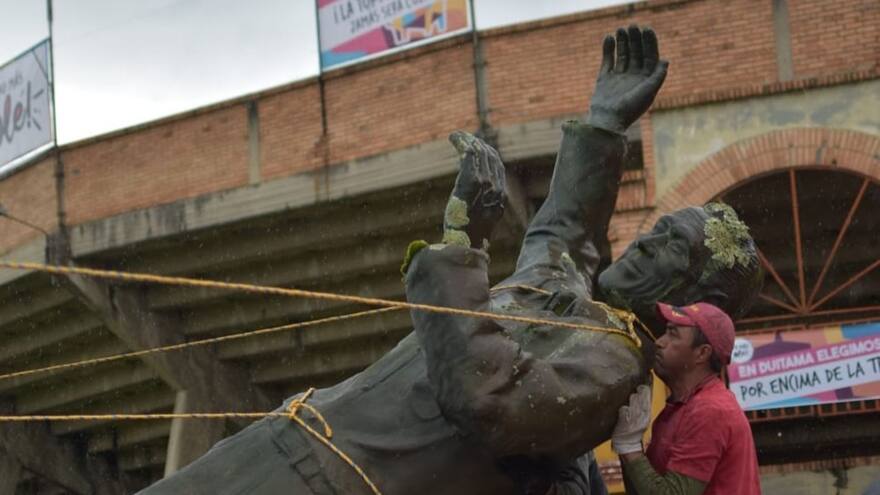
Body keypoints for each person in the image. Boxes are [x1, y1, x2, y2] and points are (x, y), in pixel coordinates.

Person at [139, 26, 762, 495]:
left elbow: (491, 400)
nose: (649, 241)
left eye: (673, 247)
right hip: (287, 436)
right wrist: (602, 124)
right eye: (660, 229)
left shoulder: (613, 364)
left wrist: (460, 252)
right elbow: (566, 224)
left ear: (691, 296)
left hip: (333, 481)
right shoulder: (566, 288)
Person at [611, 302, 762, 494]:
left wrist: (629, 447)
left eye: (673, 334)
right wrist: (630, 450)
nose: (659, 342)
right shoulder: (679, 408)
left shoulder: (710, 411)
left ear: (702, 353)